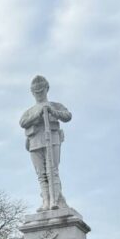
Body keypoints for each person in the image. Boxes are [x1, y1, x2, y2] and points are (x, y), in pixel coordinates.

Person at [19, 75, 72, 212]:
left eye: (41, 91)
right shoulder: (29, 111)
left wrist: (52, 111)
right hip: (34, 142)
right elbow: (22, 122)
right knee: (41, 174)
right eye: (36, 92)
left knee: (52, 171)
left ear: (47, 89)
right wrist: (37, 115)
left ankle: (56, 199)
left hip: (52, 138)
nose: (39, 94)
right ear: (32, 92)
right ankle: (46, 200)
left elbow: (67, 116)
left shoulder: (55, 105)